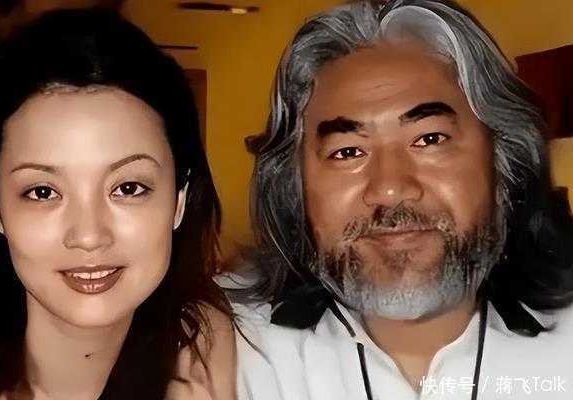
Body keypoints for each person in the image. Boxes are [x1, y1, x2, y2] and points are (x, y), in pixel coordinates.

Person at [231, 0, 573, 399]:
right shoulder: (232, 352)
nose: (390, 189)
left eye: (429, 139)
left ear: (503, 163)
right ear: (294, 187)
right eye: (348, 152)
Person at [0, 9, 235, 400]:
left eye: (128, 188)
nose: (90, 236)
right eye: (43, 192)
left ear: (179, 200)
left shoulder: (216, 352)